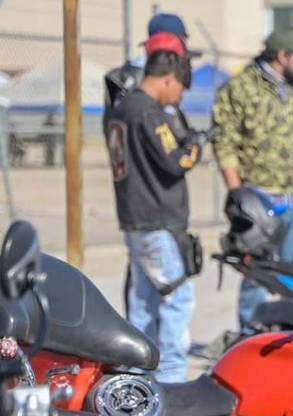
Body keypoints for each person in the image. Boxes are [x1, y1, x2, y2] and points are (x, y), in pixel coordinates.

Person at [212, 28, 293, 328]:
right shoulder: (240, 89)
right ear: (283, 56)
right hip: (261, 203)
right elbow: (224, 143)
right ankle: (249, 337)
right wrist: (237, 196)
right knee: (258, 277)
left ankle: (292, 338)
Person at [106, 38, 206, 383]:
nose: (178, 97)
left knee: (144, 306)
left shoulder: (120, 106)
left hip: (136, 219)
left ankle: (138, 377)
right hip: (155, 221)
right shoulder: (146, 110)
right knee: (178, 299)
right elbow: (175, 161)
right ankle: (173, 379)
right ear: (167, 79)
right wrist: (195, 144)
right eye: (178, 88)